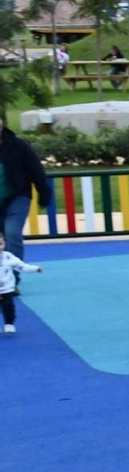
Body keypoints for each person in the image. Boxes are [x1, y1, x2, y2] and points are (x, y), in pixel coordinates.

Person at [0, 117, 51, 264]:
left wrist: (44, 193)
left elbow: (35, 170)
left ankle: (13, 277)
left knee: (12, 233)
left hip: (17, 196)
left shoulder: (18, 146)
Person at [0, 233, 42, 335]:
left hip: (7, 289)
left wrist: (35, 268)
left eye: (0, 244)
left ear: (4, 243)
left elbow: (21, 266)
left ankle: (9, 324)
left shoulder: (8, 257)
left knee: (9, 307)